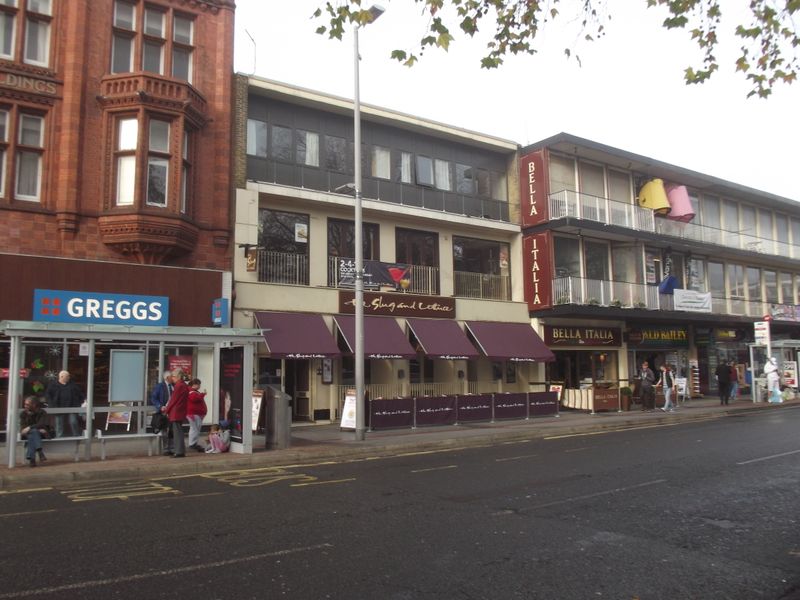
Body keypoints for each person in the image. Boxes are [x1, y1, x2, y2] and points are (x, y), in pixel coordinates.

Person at [45, 370, 84, 437]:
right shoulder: (53, 385)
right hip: (58, 407)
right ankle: (59, 438)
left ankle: (76, 436)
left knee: (73, 422)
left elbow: (80, 393)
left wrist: (80, 402)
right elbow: (48, 395)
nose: (69, 377)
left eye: (69, 376)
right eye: (67, 376)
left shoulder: (72, 384)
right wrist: (51, 405)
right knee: (59, 424)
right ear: (61, 377)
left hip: (72, 407)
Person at [161, 368, 189, 457]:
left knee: (177, 433)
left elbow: (173, 400)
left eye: (173, 376)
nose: (172, 378)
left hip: (176, 412)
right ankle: (180, 450)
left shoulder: (178, 385)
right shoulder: (184, 385)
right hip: (181, 411)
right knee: (179, 432)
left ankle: (179, 452)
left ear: (177, 376)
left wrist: (166, 410)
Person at [20, 396, 51, 467]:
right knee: (34, 432)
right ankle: (40, 451)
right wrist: (34, 428)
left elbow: (42, 423)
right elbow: (23, 428)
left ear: (34, 405)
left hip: (41, 433)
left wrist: (30, 427)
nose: (25, 406)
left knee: (33, 433)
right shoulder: (23, 414)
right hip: (28, 433)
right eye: (25, 404)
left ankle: (32, 460)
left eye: (27, 404)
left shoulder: (42, 412)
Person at [150, 370, 174, 454]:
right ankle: (166, 449)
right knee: (164, 430)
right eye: (172, 376)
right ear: (167, 378)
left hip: (172, 412)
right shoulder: (160, 386)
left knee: (171, 430)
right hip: (163, 412)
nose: (173, 378)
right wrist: (160, 406)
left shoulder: (173, 386)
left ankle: (172, 447)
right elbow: (153, 398)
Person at [186, 378, 207, 452]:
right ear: (194, 385)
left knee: (195, 429)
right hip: (194, 414)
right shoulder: (191, 392)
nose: (199, 386)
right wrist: (202, 395)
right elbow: (194, 399)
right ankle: (192, 444)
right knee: (195, 429)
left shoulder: (193, 391)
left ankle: (193, 443)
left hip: (196, 414)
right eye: (198, 384)